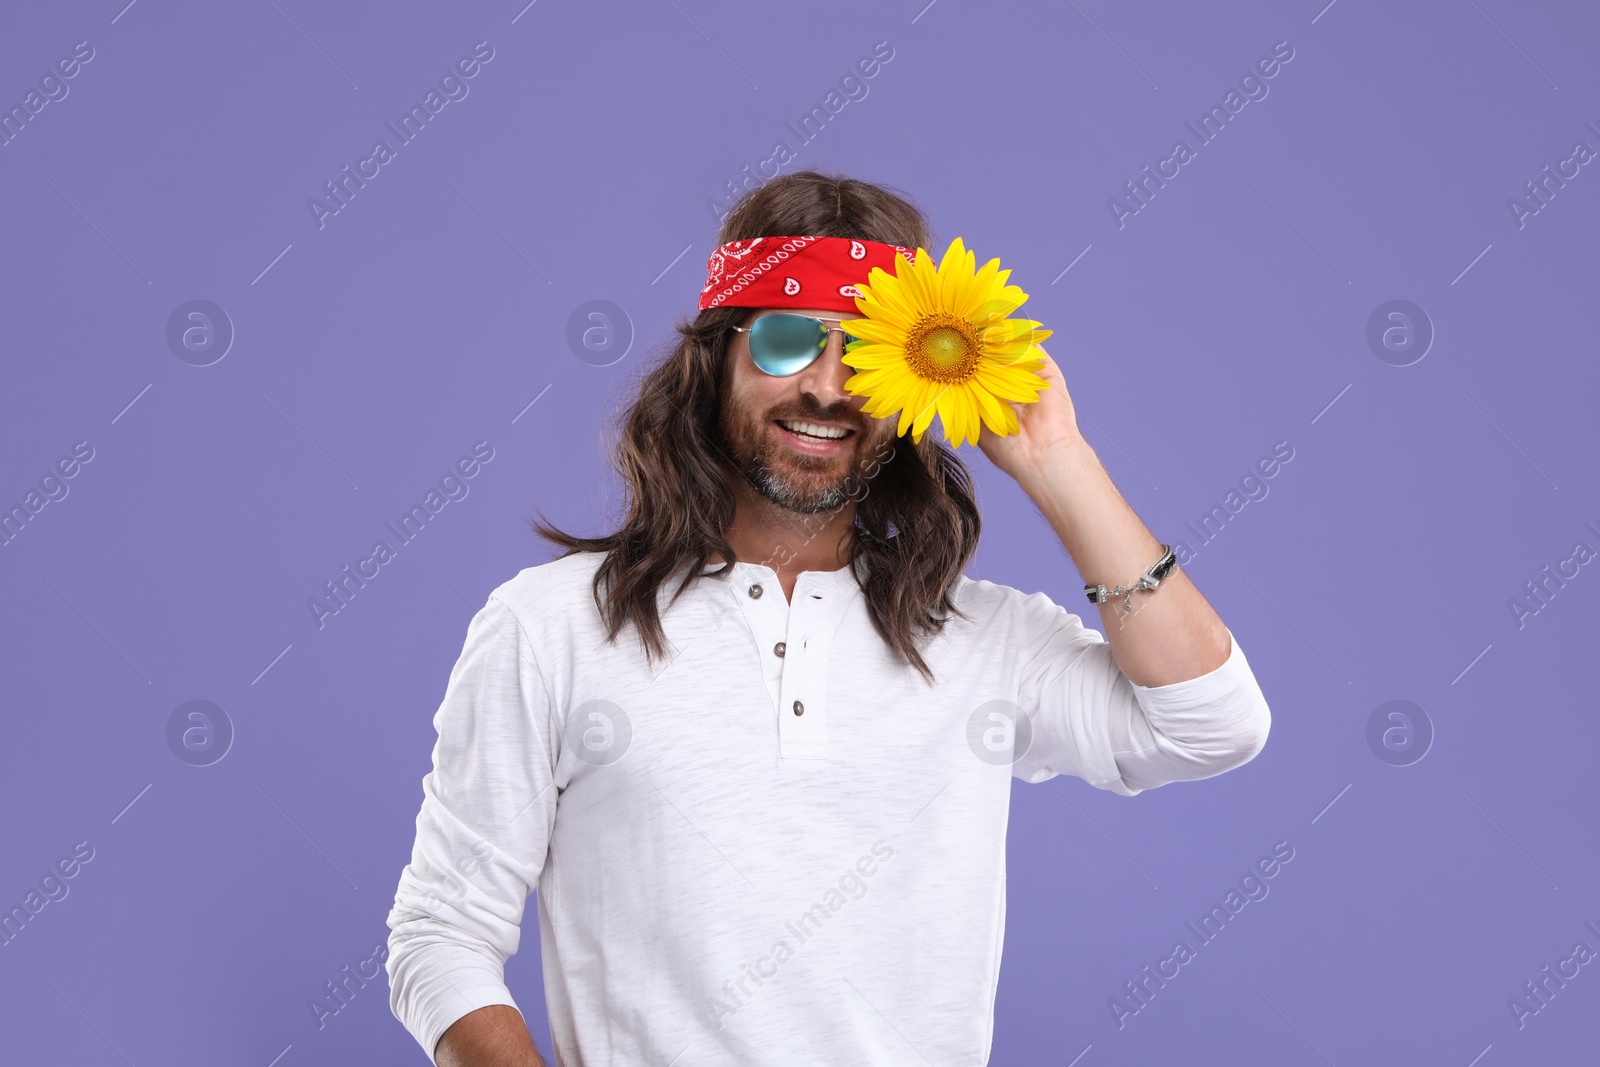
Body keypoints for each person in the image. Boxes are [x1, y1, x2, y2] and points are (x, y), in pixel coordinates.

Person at [385, 170, 1272, 1067]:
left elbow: (1213, 725)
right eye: (784, 341)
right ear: (715, 360)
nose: (825, 387)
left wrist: (1056, 458)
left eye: (863, 356)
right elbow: (439, 934)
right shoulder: (551, 627)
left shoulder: (984, 641)